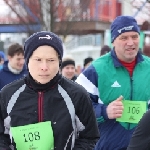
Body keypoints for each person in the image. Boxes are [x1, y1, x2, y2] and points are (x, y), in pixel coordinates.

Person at [0, 31, 99, 150]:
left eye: (51, 60)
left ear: (59, 62)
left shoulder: (77, 94)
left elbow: (89, 137)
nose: (44, 67)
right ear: (27, 61)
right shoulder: (8, 94)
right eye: (38, 59)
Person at [76, 15, 150, 150]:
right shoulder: (95, 70)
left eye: (134, 37)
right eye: (124, 38)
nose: (130, 42)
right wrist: (104, 111)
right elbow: (75, 108)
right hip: (106, 146)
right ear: (113, 41)